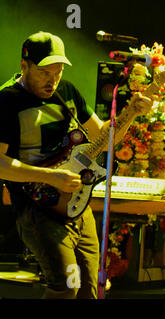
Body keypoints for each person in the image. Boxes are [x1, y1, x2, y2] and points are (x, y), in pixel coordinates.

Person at [0, 31, 155, 298]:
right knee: (66, 286)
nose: (53, 81)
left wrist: (131, 115)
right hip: (38, 210)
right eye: (44, 73)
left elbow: (104, 139)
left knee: (89, 288)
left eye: (58, 72)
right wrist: (51, 177)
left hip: (78, 206)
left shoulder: (67, 91)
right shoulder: (7, 101)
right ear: (24, 66)